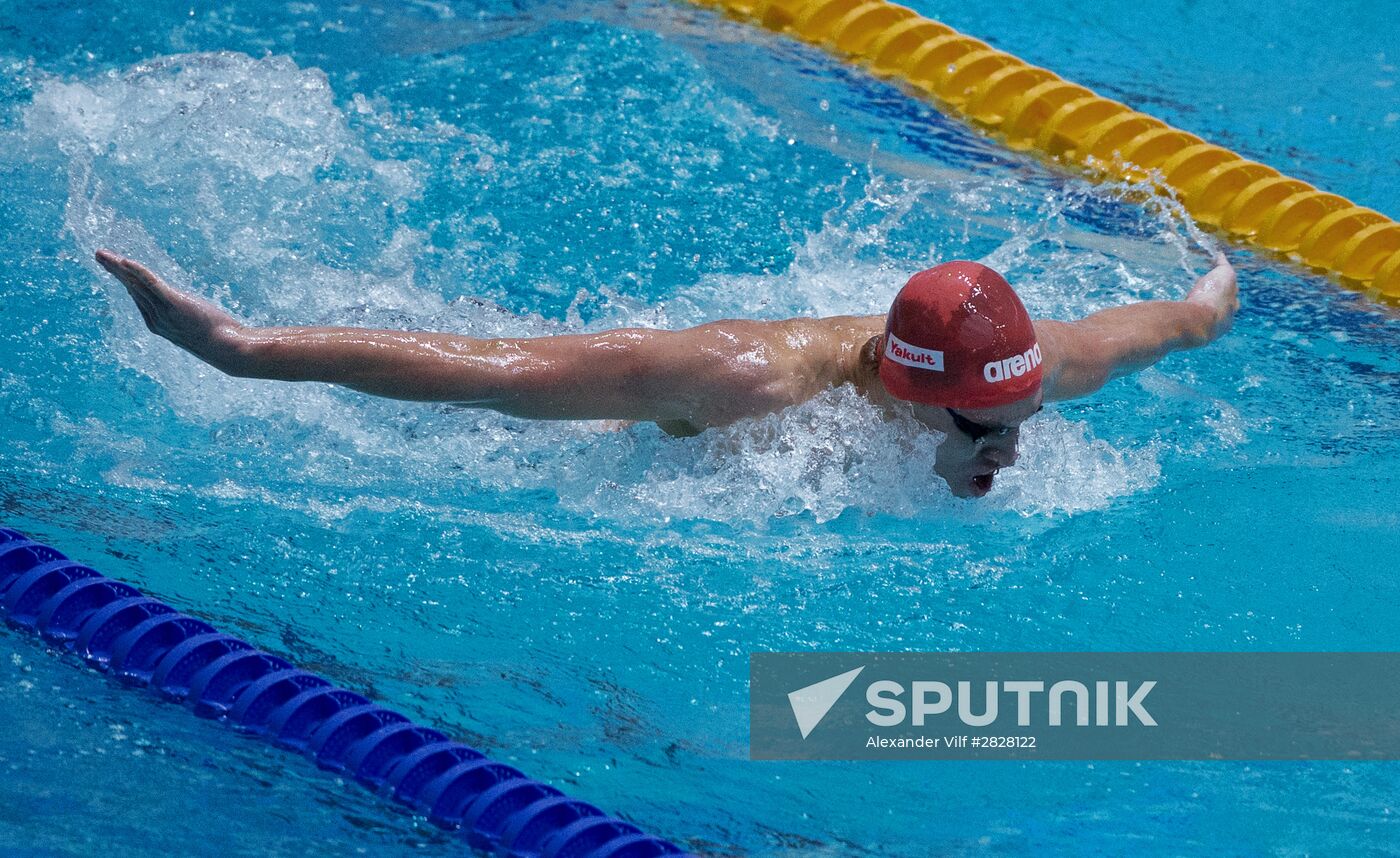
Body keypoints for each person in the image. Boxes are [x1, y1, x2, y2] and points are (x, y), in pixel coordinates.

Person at [95, 248, 1238, 498]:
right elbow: (491, 376)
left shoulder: (1049, 364)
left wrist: (1206, 299)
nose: (1017, 433)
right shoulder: (743, 383)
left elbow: (1165, 326)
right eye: (987, 417)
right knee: (512, 384)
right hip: (613, 423)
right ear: (900, 385)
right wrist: (242, 352)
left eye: (1021, 405)